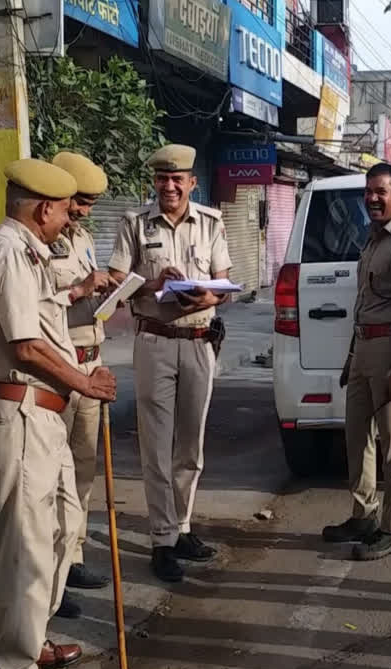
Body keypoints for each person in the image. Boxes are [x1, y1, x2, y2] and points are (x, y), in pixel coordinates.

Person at [0, 158, 117, 669]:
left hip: (44, 411)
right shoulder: (8, 251)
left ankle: (31, 636)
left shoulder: (31, 253)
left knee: (60, 525)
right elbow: (26, 346)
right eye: (64, 210)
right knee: (26, 542)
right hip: (21, 406)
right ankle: (15, 658)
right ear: (45, 207)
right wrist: (84, 382)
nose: (69, 219)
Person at [107, 144, 231, 583]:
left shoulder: (212, 223)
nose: (170, 186)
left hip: (199, 341)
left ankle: (182, 527)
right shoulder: (134, 225)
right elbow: (117, 290)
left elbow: (224, 283)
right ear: (155, 183)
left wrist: (209, 295)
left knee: (190, 446)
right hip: (155, 342)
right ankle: (161, 540)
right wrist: (153, 285)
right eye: (163, 179)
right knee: (156, 446)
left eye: (178, 179)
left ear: (192, 182)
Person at [322, 162, 391, 562]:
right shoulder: (373, 240)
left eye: (381, 192)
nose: (372, 198)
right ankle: (363, 515)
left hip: (390, 354)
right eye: (368, 192)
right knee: (357, 439)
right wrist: (351, 358)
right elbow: (364, 305)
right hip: (364, 350)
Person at [46, 151, 115, 616]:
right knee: (55, 477)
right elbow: (37, 304)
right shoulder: (39, 243)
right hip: (58, 365)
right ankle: (51, 573)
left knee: (83, 471)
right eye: (80, 200)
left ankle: (73, 556)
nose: (84, 210)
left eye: (90, 203)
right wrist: (80, 289)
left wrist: (107, 290)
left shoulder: (83, 237)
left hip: (91, 362)